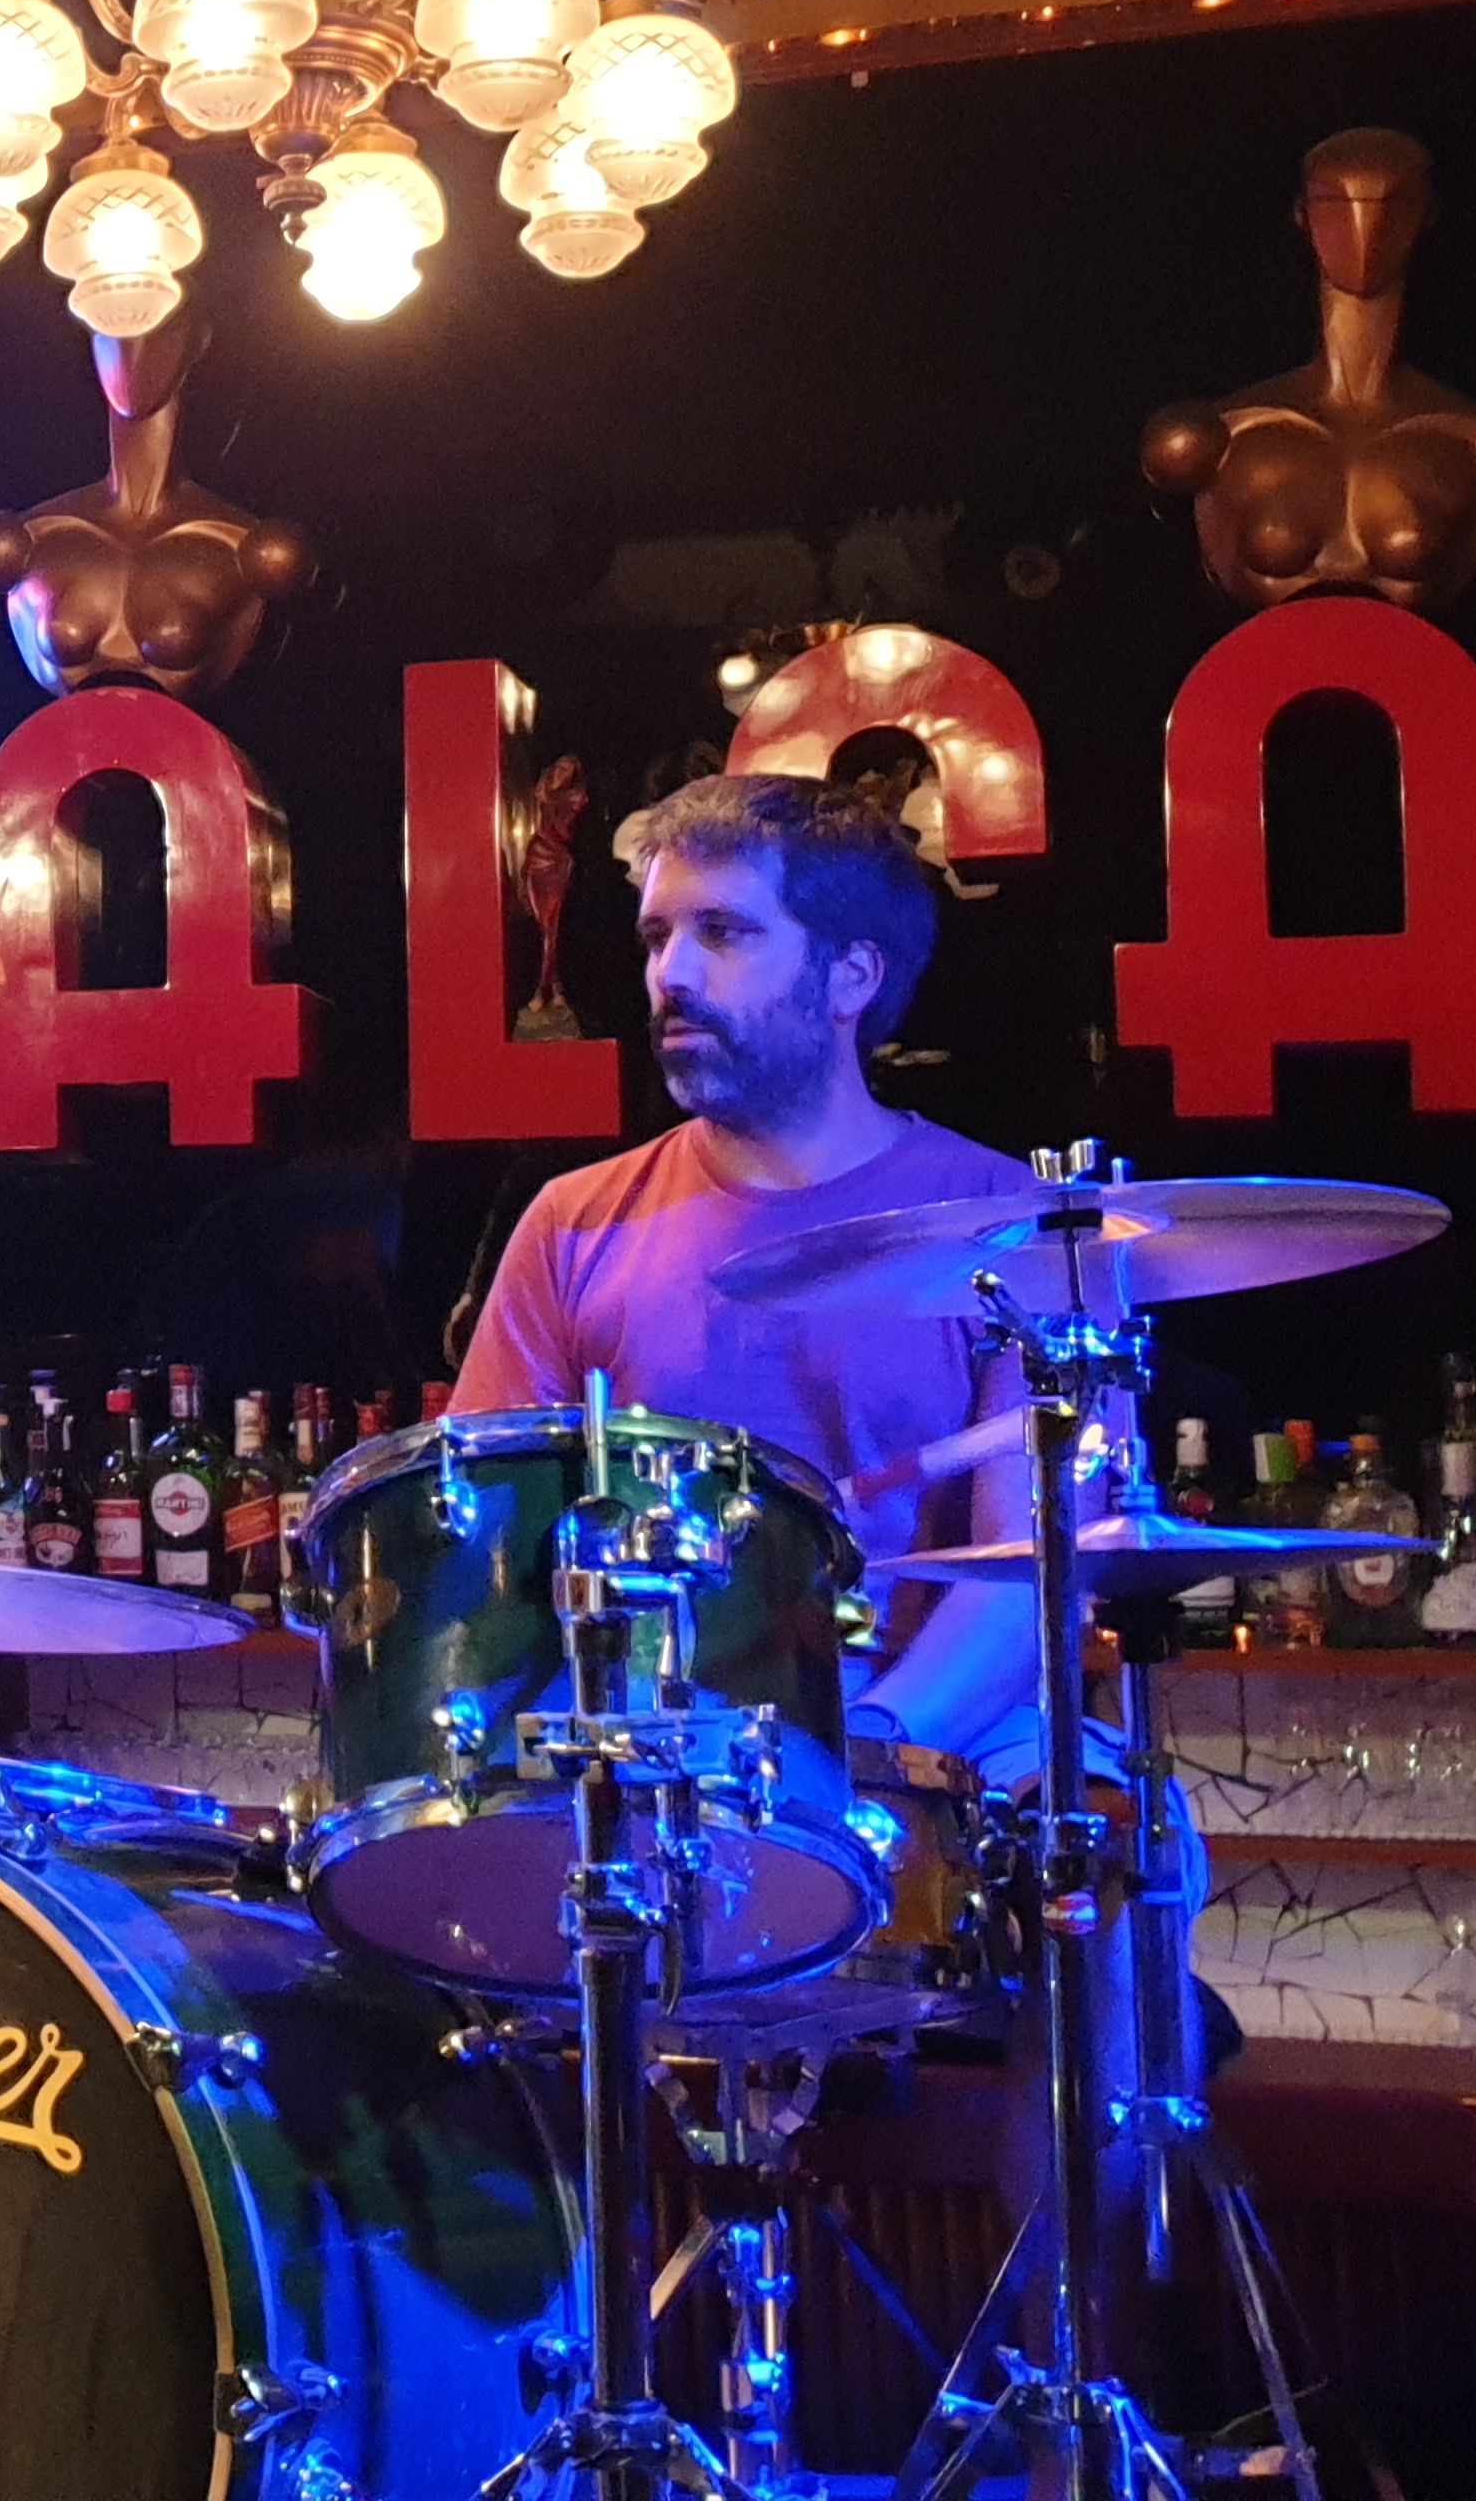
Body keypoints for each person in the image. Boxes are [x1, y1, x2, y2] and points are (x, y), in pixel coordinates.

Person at [450, 772, 1195, 2199]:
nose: (669, 974)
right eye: (658, 935)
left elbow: (1035, 1576)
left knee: (1111, 1851)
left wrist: (859, 1756)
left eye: (724, 933)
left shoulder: (1019, 1237)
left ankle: (1062, 2326)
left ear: (852, 975)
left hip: (942, 1738)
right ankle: (546, 2320)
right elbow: (485, 1550)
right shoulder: (572, 1229)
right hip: (649, 1745)